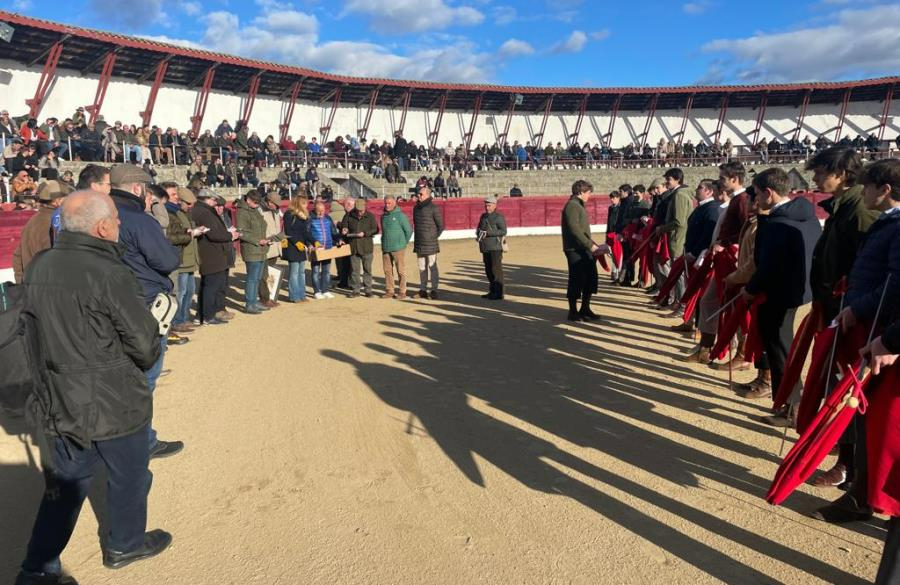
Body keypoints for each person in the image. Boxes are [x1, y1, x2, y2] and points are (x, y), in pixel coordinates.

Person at [16, 191, 171, 584]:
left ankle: (38, 565)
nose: (120, 224)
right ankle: (125, 543)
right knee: (130, 475)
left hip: (61, 397)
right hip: (114, 397)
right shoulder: (109, 272)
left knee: (65, 485)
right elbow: (144, 344)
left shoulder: (40, 265)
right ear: (103, 227)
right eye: (117, 219)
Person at [803, 147, 880, 491]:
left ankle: (848, 465)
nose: (816, 178)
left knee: (847, 388)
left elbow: (867, 268)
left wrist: (851, 306)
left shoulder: (859, 210)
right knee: (837, 382)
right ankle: (844, 454)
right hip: (838, 309)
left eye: (821, 172)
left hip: (853, 314)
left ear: (842, 173)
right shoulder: (845, 207)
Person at [108, 165, 183, 459]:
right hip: (144, 306)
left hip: (108, 304)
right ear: (138, 189)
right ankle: (141, 442)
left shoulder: (98, 214)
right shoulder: (140, 220)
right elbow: (166, 261)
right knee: (145, 379)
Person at [741, 168, 822, 408]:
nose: (754, 199)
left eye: (756, 193)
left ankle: (789, 403)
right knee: (783, 348)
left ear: (768, 192)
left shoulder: (777, 223)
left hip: (777, 294)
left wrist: (750, 289)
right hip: (798, 290)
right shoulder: (804, 213)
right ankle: (788, 400)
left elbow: (767, 265)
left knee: (778, 350)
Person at [678, 179, 726, 361]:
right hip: (697, 255)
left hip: (702, 257)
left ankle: (703, 334)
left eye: (699, 187)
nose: (696, 190)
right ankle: (698, 331)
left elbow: (707, 236)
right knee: (700, 296)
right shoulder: (706, 207)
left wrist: (696, 253)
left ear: (707, 191)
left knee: (704, 297)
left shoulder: (712, 209)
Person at [12, 180, 72, 283]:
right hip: (47, 289)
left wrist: (21, 283)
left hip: (32, 287)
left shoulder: (34, 220)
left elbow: (17, 257)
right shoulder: (55, 223)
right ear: (57, 201)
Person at [654, 168, 695, 316]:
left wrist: (662, 229)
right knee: (677, 272)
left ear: (677, 179)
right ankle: (678, 303)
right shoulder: (680, 194)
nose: (666, 182)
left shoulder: (679, 195)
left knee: (678, 273)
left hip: (677, 238)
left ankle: (681, 305)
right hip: (678, 237)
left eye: (669, 179)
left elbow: (679, 221)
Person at [191, 190, 235, 325]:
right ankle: (207, 316)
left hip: (210, 252)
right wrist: (230, 236)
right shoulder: (205, 212)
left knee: (209, 286)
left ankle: (203, 315)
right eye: (213, 200)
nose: (215, 202)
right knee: (211, 287)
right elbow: (214, 234)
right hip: (212, 253)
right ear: (207, 199)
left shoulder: (200, 210)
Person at [562, 180, 602, 322]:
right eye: (588, 193)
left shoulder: (576, 205)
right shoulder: (572, 206)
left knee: (589, 278)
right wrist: (589, 245)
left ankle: (585, 308)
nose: (589, 196)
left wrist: (590, 244)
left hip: (582, 247)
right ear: (580, 192)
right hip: (575, 249)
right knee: (577, 279)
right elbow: (574, 229)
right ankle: (573, 311)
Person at [166, 187, 203, 334]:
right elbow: (173, 237)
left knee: (189, 291)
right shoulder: (174, 214)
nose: (190, 206)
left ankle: (184, 318)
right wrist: (190, 234)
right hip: (181, 259)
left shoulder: (184, 214)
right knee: (180, 292)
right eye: (188, 203)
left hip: (189, 258)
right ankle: (177, 321)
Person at [235, 190, 271, 314]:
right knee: (252, 278)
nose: (257, 204)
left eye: (258, 202)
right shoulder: (242, 212)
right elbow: (241, 232)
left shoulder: (255, 210)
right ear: (248, 200)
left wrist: (265, 240)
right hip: (251, 249)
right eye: (255, 202)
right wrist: (257, 241)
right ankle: (250, 303)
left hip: (261, 249)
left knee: (258, 278)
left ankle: (254, 301)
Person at [342, 198, 379, 297]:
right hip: (354, 247)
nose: (359, 212)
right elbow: (344, 226)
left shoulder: (370, 216)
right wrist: (344, 229)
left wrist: (365, 233)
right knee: (355, 271)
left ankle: (368, 290)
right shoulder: (349, 215)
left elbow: (376, 229)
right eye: (358, 210)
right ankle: (356, 290)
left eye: (361, 210)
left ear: (365, 207)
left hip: (366, 247)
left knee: (367, 270)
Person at [413, 185, 444, 299]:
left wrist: (433, 237)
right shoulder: (416, 208)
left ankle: (434, 290)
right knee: (421, 267)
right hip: (420, 241)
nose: (418, 196)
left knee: (432, 266)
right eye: (418, 194)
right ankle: (423, 289)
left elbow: (441, 226)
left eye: (421, 194)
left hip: (430, 242)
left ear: (428, 195)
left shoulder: (434, 208)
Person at [306, 197, 340, 299]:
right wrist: (309, 245)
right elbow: (306, 234)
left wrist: (339, 239)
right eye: (319, 211)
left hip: (328, 248)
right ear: (315, 210)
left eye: (323, 210)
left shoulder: (328, 218)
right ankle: (317, 291)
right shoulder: (310, 219)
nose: (321, 213)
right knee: (315, 271)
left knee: (326, 271)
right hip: (316, 250)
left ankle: (325, 290)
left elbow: (334, 232)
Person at [380, 194, 412, 299]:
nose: (387, 205)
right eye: (386, 203)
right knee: (387, 270)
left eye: (389, 203)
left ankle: (402, 291)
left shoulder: (400, 216)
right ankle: (390, 290)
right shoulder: (383, 216)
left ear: (394, 203)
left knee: (400, 270)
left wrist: (403, 243)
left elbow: (409, 230)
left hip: (398, 248)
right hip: (386, 247)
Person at [477, 195, 508, 300]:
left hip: (495, 247)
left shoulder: (499, 217)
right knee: (488, 270)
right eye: (486, 206)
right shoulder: (483, 216)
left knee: (496, 271)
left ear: (495, 205)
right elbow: (479, 228)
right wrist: (479, 234)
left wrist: (488, 233)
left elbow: (503, 231)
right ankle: (492, 291)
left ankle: (499, 293)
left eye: (489, 206)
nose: (487, 208)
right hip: (485, 247)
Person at [258, 193, 285, 307]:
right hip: (265, 246)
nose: (277, 206)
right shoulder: (260, 211)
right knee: (263, 275)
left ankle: (270, 297)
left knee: (270, 274)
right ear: (269, 202)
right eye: (275, 204)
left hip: (274, 247)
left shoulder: (276, 211)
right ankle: (264, 299)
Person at [283, 196, 311, 303]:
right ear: (298, 204)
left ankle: (302, 294)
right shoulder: (289, 214)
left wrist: (313, 241)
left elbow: (305, 232)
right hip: (292, 247)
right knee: (294, 273)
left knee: (302, 272)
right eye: (304, 203)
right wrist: (296, 243)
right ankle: (294, 296)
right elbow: (288, 232)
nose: (306, 205)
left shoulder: (303, 216)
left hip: (301, 247)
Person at [335, 197, 357, 289]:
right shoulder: (349, 214)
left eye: (344, 205)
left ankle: (351, 283)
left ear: (348, 205)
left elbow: (349, 228)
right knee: (346, 264)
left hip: (351, 242)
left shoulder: (351, 215)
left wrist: (338, 224)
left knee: (351, 264)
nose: (343, 207)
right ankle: (345, 282)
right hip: (347, 242)